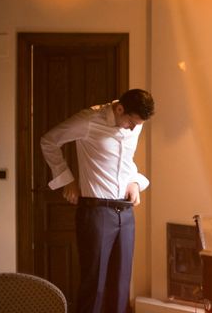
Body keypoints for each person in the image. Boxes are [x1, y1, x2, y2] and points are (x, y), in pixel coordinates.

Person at [41, 88, 155, 313]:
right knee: (95, 286)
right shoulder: (89, 120)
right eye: (131, 122)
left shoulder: (135, 124)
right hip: (96, 212)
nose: (134, 128)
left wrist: (135, 182)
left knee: (121, 287)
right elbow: (49, 141)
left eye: (138, 124)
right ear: (120, 108)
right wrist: (67, 180)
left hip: (126, 211)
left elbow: (126, 161)